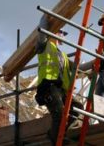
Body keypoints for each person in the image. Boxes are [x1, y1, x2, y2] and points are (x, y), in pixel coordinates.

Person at [35, 15, 83, 145]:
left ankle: (65, 131)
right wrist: (46, 16)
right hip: (48, 86)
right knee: (60, 114)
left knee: (78, 107)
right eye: (61, 32)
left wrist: (96, 63)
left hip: (61, 89)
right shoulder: (43, 45)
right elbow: (42, 28)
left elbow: (79, 67)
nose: (63, 35)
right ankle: (56, 140)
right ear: (55, 31)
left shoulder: (63, 55)